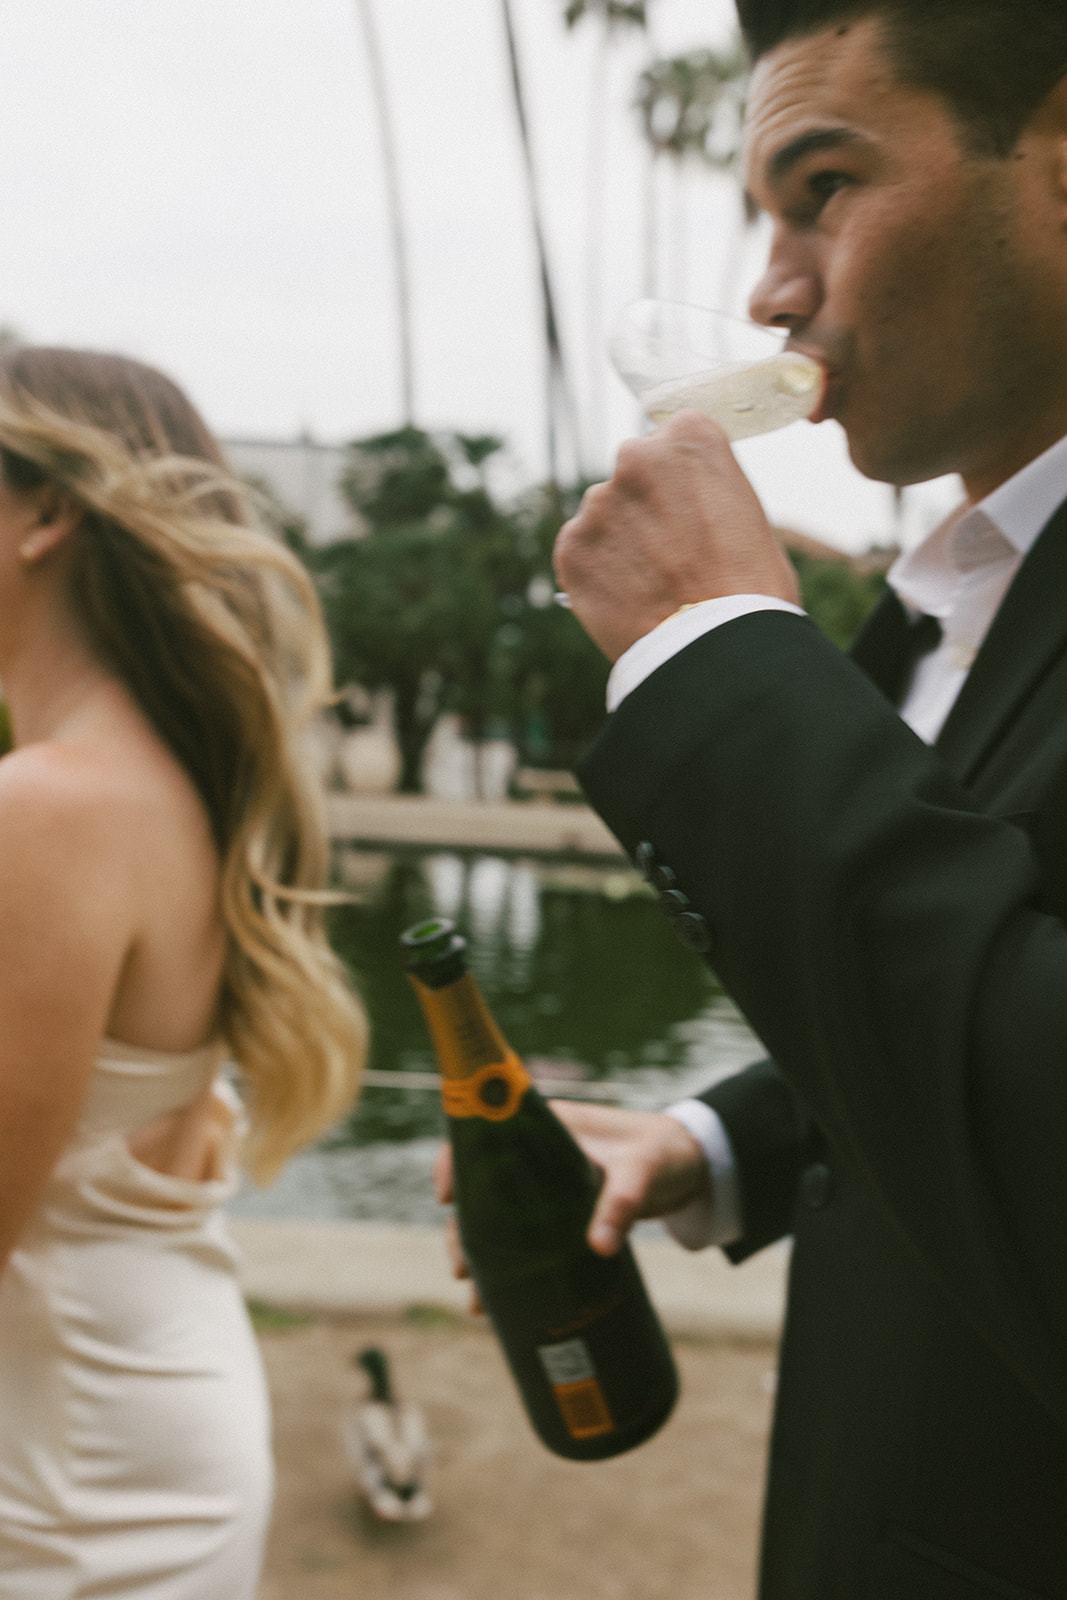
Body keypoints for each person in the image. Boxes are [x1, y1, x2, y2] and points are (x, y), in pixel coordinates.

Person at [550, 1, 1067, 1595]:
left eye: (821, 188)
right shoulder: (962, 595)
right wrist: (721, 1139)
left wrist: (716, 650)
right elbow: (999, 946)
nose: (770, 293)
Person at [0, 347, 367, 1597]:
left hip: (64, 1479)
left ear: (48, 513)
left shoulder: (47, 812)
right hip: (140, 1415)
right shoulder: (171, 785)